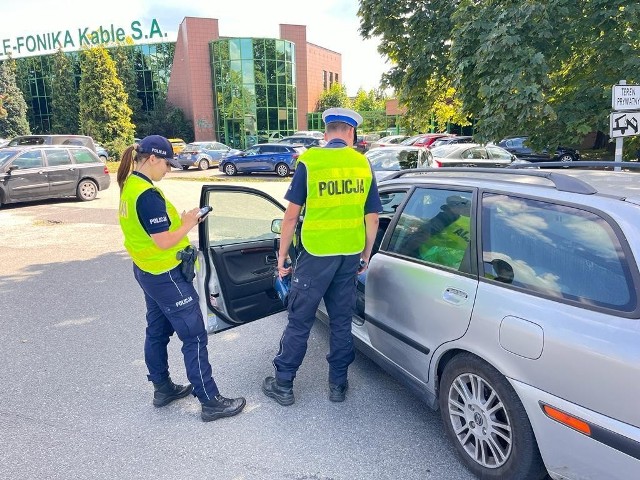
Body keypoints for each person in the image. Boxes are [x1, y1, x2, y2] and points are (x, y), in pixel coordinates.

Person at [116, 135, 245, 422]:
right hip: (166, 275)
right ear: (152, 159)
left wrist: (183, 219)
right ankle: (211, 401)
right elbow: (162, 241)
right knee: (194, 335)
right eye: (166, 163)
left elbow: (152, 233)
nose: (169, 169)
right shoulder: (147, 195)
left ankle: (162, 388)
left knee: (157, 331)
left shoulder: (131, 186)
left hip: (148, 271)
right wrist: (189, 222)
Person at [262, 108, 382, 406]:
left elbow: (290, 217)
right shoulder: (363, 164)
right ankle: (338, 386)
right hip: (349, 255)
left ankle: (284, 384)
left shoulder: (310, 161)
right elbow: (373, 218)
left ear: (326, 133)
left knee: (300, 319)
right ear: (352, 134)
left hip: (315, 255)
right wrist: (365, 255)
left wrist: (281, 260)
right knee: (341, 321)